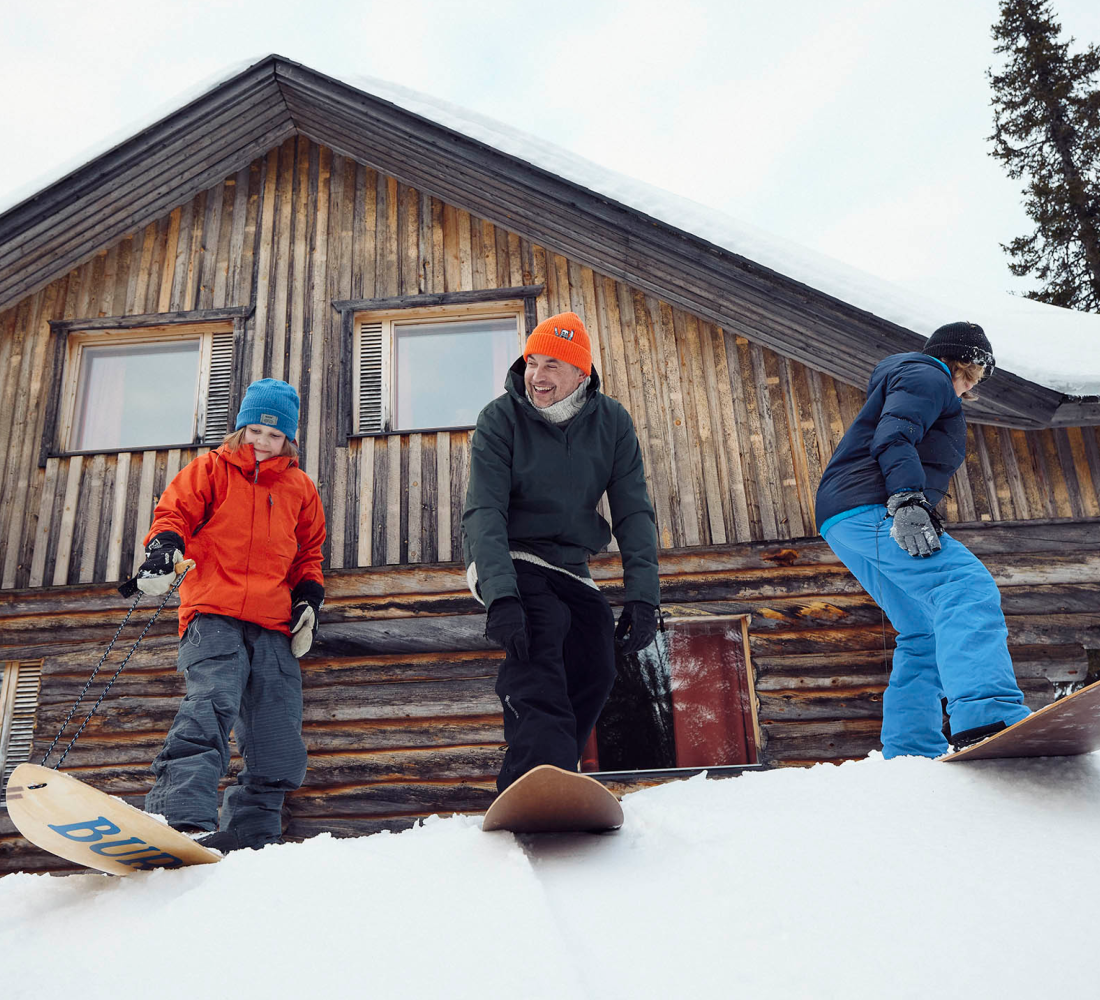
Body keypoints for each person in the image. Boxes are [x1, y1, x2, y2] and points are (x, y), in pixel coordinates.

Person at [462, 311, 660, 792]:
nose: (537, 375)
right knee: (541, 635)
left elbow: (633, 511)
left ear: (580, 372)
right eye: (532, 362)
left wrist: (643, 597)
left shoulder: (612, 422)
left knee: (597, 661)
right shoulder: (500, 418)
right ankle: (539, 775)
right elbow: (484, 510)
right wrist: (501, 596)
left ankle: (548, 777)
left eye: (552, 364)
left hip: (570, 563)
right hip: (511, 555)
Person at [815, 322, 1030, 759]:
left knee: (922, 630)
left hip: (844, 518)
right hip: (874, 506)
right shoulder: (928, 375)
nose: (971, 386)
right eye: (973, 374)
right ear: (961, 361)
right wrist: (907, 498)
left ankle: (911, 749)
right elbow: (895, 436)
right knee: (964, 586)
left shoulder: (912, 379)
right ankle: (987, 716)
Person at [138, 378, 326, 851]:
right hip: (212, 613)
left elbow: (309, 555)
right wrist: (163, 549)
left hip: (272, 624)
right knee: (210, 705)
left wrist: (308, 599)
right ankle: (179, 818)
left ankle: (252, 834)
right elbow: (173, 515)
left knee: (278, 730)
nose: (264, 442)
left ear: (289, 439)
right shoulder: (210, 469)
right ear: (242, 428)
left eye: (275, 435)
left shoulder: (300, 488)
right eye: (256, 431)